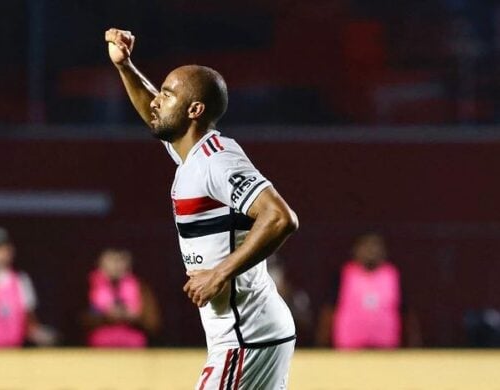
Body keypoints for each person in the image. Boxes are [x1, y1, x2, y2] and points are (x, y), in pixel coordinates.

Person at [105, 28, 299, 389]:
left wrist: (218, 273)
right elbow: (152, 114)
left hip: (246, 337)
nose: (156, 101)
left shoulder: (216, 161)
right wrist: (126, 67)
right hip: (252, 334)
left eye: (167, 94)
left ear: (194, 110)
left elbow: (281, 217)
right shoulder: (191, 155)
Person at [316, 233, 421, 349]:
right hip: (350, 349)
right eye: (366, 247)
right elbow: (329, 311)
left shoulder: (392, 275)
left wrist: (414, 343)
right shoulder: (343, 275)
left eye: (375, 247)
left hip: (385, 348)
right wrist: (322, 343)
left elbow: (407, 313)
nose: (371, 251)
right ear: (355, 250)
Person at [85, 248, 161, 347]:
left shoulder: (139, 287)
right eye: (111, 261)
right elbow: (84, 315)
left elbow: (151, 320)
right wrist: (105, 314)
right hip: (101, 335)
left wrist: (132, 314)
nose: (115, 266)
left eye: (119, 261)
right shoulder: (89, 285)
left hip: (132, 334)